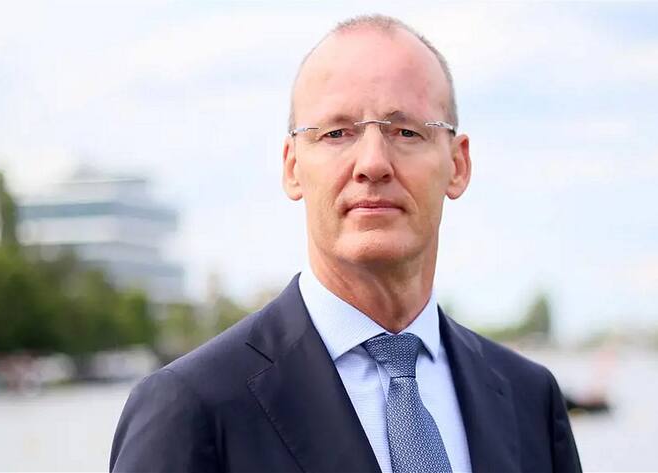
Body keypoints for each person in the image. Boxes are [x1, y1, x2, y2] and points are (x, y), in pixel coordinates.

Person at [110, 14, 582, 473]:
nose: (372, 163)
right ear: (293, 167)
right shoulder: (192, 408)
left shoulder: (530, 400)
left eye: (406, 131)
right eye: (337, 133)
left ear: (458, 165)